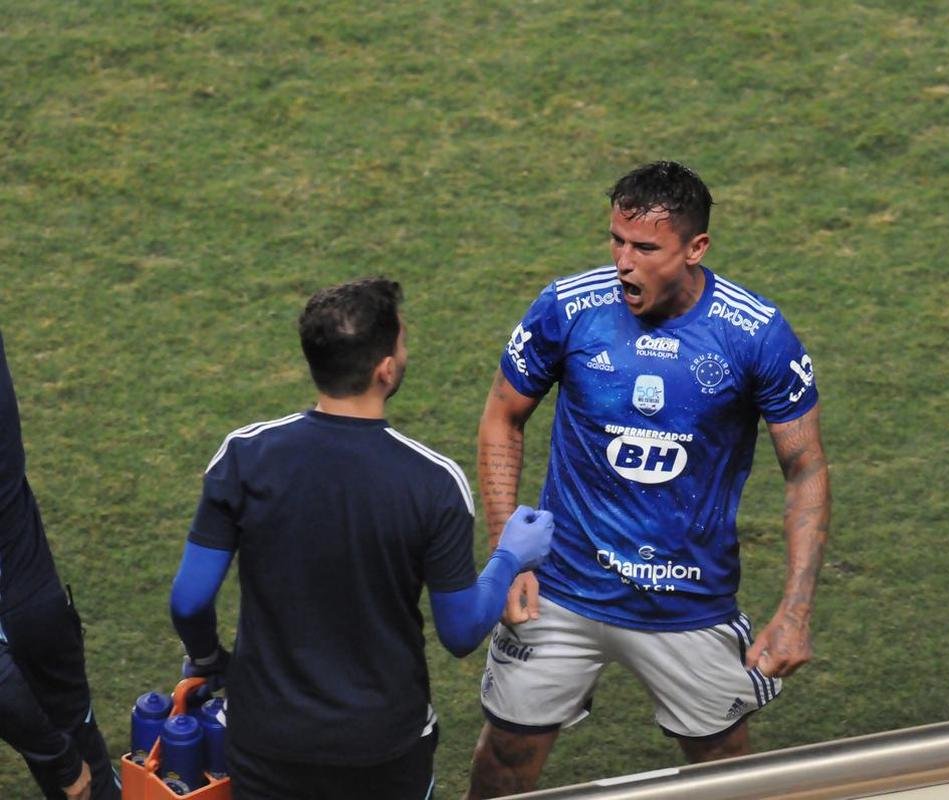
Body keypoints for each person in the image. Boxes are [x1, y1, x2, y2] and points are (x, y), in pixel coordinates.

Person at [467, 161, 832, 797]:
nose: (623, 263)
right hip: (561, 590)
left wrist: (796, 610)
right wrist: (508, 554)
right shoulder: (569, 309)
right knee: (505, 757)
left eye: (645, 248)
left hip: (687, 602)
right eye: (616, 240)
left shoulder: (754, 334)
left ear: (696, 248)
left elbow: (805, 468)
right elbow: (503, 416)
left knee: (725, 774)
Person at [169, 277, 554, 800]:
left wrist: (206, 658)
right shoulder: (432, 482)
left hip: (267, 739)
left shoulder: (244, 456)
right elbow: (461, 630)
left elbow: (189, 600)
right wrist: (510, 556)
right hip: (383, 746)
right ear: (385, 369)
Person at [0, 327, 121, 800]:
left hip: (26, 618)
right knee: (85, 754)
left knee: (80, 775)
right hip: (37, 610)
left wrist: (61, 763)